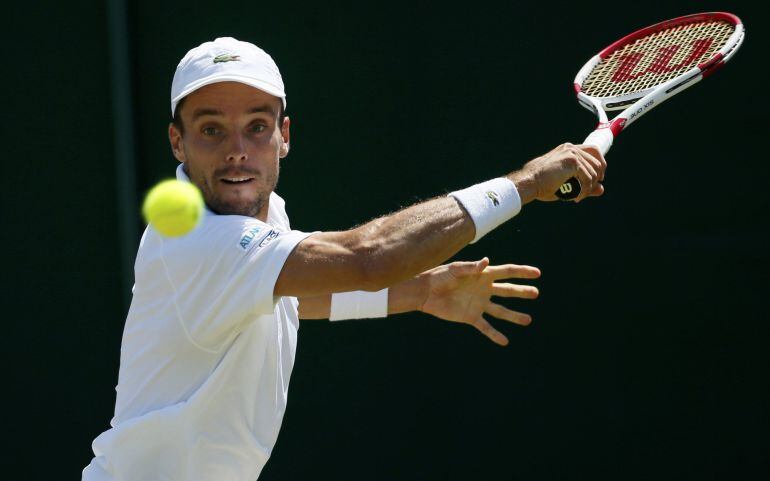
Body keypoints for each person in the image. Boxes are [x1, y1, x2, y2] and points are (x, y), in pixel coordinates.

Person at [82, 37, 606, 481]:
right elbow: (368, 258)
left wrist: (418, 292)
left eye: (257, 126)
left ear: (284, 137)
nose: (237, 149)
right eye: (212, 129)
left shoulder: (261, 224)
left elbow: (289, 303)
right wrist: (525, 183)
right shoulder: (200, 241)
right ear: (179, 141)